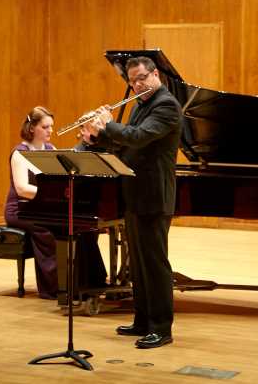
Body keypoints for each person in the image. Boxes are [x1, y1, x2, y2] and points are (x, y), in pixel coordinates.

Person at [81, 56, 182, 349]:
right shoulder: (141, 105)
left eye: (141, 78)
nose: (137, 84)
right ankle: (142, 320)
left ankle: (162, 328)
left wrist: (108, 124)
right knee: (137, 264)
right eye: (132, 80)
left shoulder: (166, 105)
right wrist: (95, 137)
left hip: (153, 195)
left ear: (156, 75)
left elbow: (137, 137)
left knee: (155, 264)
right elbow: (124, 144)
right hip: (135, 194)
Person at [5, 106, 107, 300]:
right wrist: (49, 196)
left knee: (83, 227)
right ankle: (57, 287)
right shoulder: (20, 153)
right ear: (32, 128)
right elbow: (22, 189)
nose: (50, 131)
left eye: (51, 126)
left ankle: (89, 281)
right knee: (50, 230)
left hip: (43, 206)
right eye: (45, 127)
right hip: (21, 209)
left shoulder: (50, 150)